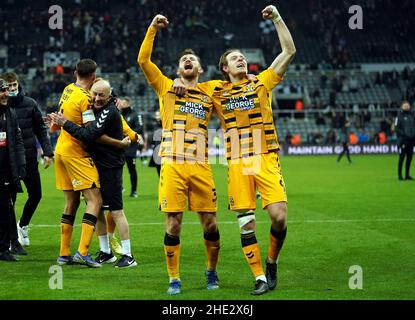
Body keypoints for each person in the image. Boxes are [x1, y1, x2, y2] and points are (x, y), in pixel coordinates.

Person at [206, 4, 295, 295]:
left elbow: (289, 51)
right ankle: (259, 277)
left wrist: (277, 19)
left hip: (265, 155)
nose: (240, 59)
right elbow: (184, 85)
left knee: (279, 216)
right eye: (234, 58)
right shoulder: (216, 91)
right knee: (246, 224)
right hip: (237, 162)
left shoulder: (262, 82)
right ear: (225, 69)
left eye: (242, 57)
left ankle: (271, 262)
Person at [138, 14, 221, 295]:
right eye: (183, 61)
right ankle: (174, 278)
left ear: (200, 69)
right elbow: (143, 62)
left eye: (193, 60)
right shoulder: (165, 87)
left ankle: (211, 271)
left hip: (200, 164)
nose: (188, 62)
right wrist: (152, 29)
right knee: (173, 224)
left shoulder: (210, 92)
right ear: (178, 69)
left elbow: (238, 90)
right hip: (172, 164)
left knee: (210, 223)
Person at [49, 79, 138, 268]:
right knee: (97, 209)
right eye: (95, 94)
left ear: (109, 95)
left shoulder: (109, 111)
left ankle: (128, 255)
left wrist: (65, 123)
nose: (97, 98)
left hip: (110, 167)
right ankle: (106, 252)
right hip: (97, 164)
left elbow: (89, 135)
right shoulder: (94, 107)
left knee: (116, 211)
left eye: (101, 95)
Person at [53, 59, 103, 268]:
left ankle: (64, 254)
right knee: (95, 200)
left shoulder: (67, 89)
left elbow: (57, 121)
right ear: (93, 77)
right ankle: (83, 252)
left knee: (71, 202)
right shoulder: (85, 99)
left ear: (75, 73)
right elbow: (90, 131)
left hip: (60, 151)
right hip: (75, 153)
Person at [2, 72, 54, 252]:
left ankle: (22, 226)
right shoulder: (2, 106)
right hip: (9, 162)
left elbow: (41, 128)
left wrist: (48, 152)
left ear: (18, 84)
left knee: (36, 195)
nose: (13, 89)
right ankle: (11, 240)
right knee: (10, 201)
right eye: (9, 87)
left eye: (14, 85)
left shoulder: (30, 104)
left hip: (30, 159)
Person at [0, 79, 26, 261]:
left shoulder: (10, 113)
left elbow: (17, 140)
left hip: (5, 170)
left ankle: (4, 248)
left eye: (6, 90)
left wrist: (21, 164)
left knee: (5, 207)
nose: (5, 94)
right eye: (2, 91)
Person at [116, 97, 143, 197]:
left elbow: (139, 128)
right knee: (117, 168)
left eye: (123, 102)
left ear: (128, 103)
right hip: (120, 145)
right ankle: (120, 188)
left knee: (132, 169)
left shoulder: (135, 115)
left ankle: (134, 191)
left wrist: (128, 133)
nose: (121, 104)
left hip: (131, 147)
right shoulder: (119, 114)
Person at [395, 101, 415, 180]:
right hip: (403, 140)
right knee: (402, 158)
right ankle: (400, 175)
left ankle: (407, 175)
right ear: (402, 107)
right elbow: (396, 128)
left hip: (411, 140)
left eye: (408, 105)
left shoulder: (412, 116)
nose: (406, 107)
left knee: (409, 158)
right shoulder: (398, 116)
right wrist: (403, 135)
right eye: (405, 106)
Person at [148, 110, 162, 176]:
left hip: (165, 152)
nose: (158, 117)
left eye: (159, 115)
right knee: (159, 173)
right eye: (156, 115)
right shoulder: (155, 126)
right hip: (156, 152)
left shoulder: (166, 125)